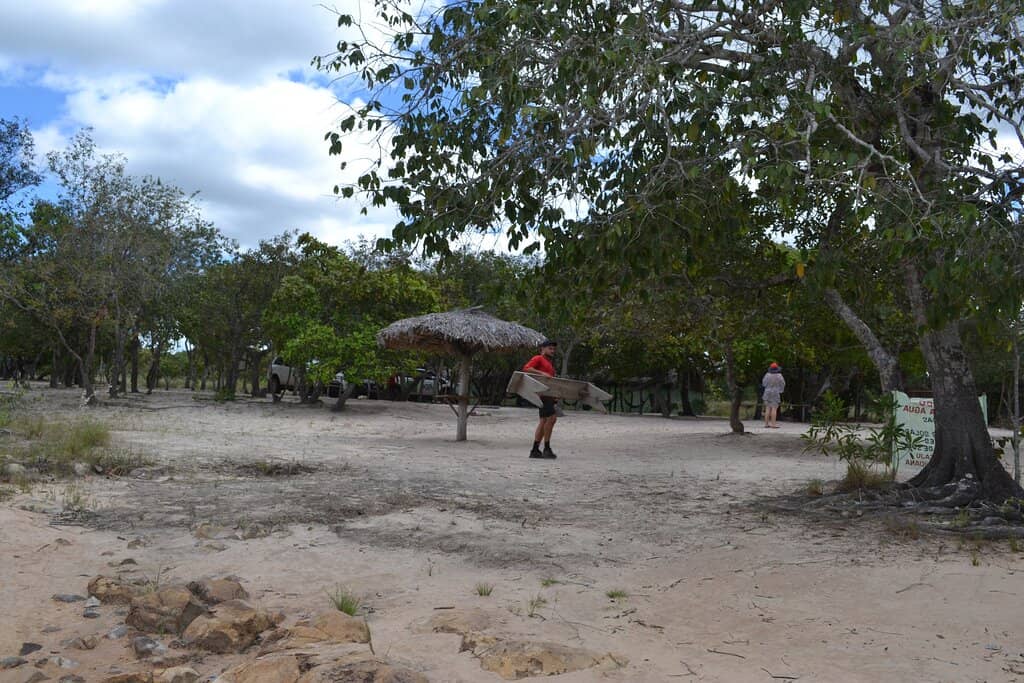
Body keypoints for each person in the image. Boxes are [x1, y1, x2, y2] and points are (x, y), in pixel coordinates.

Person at [523, 339, 559, 459]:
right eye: (550, 348)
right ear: (542, 349)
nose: (552, 351)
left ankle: (535, 450)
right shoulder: (538, 358)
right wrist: (542, 374)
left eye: (553, 349)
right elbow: (526, 368)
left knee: (544, 421)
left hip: (549, 395)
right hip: (541, 395)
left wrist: (555, 396)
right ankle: (546, 449)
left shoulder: (550, 364)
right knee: (552, 418)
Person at [761, 362, 785, 428]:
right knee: (774, 408)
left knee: (767, 408)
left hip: (767, 392)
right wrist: (780, 390)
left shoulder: (767, 375)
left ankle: (766, 424)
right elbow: (783, 384)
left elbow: (763, 383)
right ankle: (773, 424)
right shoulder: (779, 376)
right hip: (775, 392)